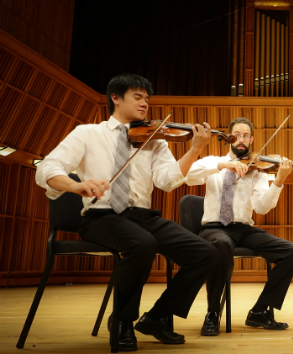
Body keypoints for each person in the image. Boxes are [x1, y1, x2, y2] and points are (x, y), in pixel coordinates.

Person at [35, 73, 219, 352]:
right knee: (142, 244)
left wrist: (195, 149)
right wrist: (77, 185)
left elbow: (167, 180)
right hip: (101, 216)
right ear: (116, 98)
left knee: (205, 252)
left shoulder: (154, 139)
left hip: (143, 216)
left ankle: (156, 317)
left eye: (147, 99)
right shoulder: (88, 133)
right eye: (138, 97)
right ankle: (122, 320)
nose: (145, 103)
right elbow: (47, 168)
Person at [186, 117, 293, 336]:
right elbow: (188, 176)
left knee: (292, 252)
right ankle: (212, 312)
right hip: (215, 228)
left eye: (246, 136)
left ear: (252, 139)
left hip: (244, 229)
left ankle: (259, 311)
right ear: (229, 138)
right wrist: (223, 165)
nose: (241, 140)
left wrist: (279, 180)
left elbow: (262, 207)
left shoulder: (257, 170)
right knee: (221, 244)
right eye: (237, 135)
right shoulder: (213, 162)